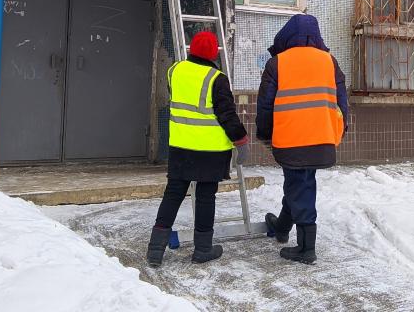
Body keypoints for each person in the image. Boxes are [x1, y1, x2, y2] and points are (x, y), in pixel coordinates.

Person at [146, 31, 249, 266]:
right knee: (205, 197)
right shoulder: (217, 78)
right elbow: (227, 116)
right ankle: (203, 250)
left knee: (173, 194)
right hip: (210, 152)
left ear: (192, 49)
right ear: (214, 53)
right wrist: (241, 142)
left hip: (181, 147)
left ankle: (155, 251)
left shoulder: (175, 71)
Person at [256, 14, 348, 264]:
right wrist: (341, 129)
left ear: (286, 35)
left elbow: (265, 104)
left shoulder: (277, 63)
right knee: (300, 182)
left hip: (291, 139)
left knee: (299, 184)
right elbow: (342, 101)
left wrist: (264, 134)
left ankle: (306, 248)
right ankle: (282, 227)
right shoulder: (330, 61)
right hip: (322, 136)